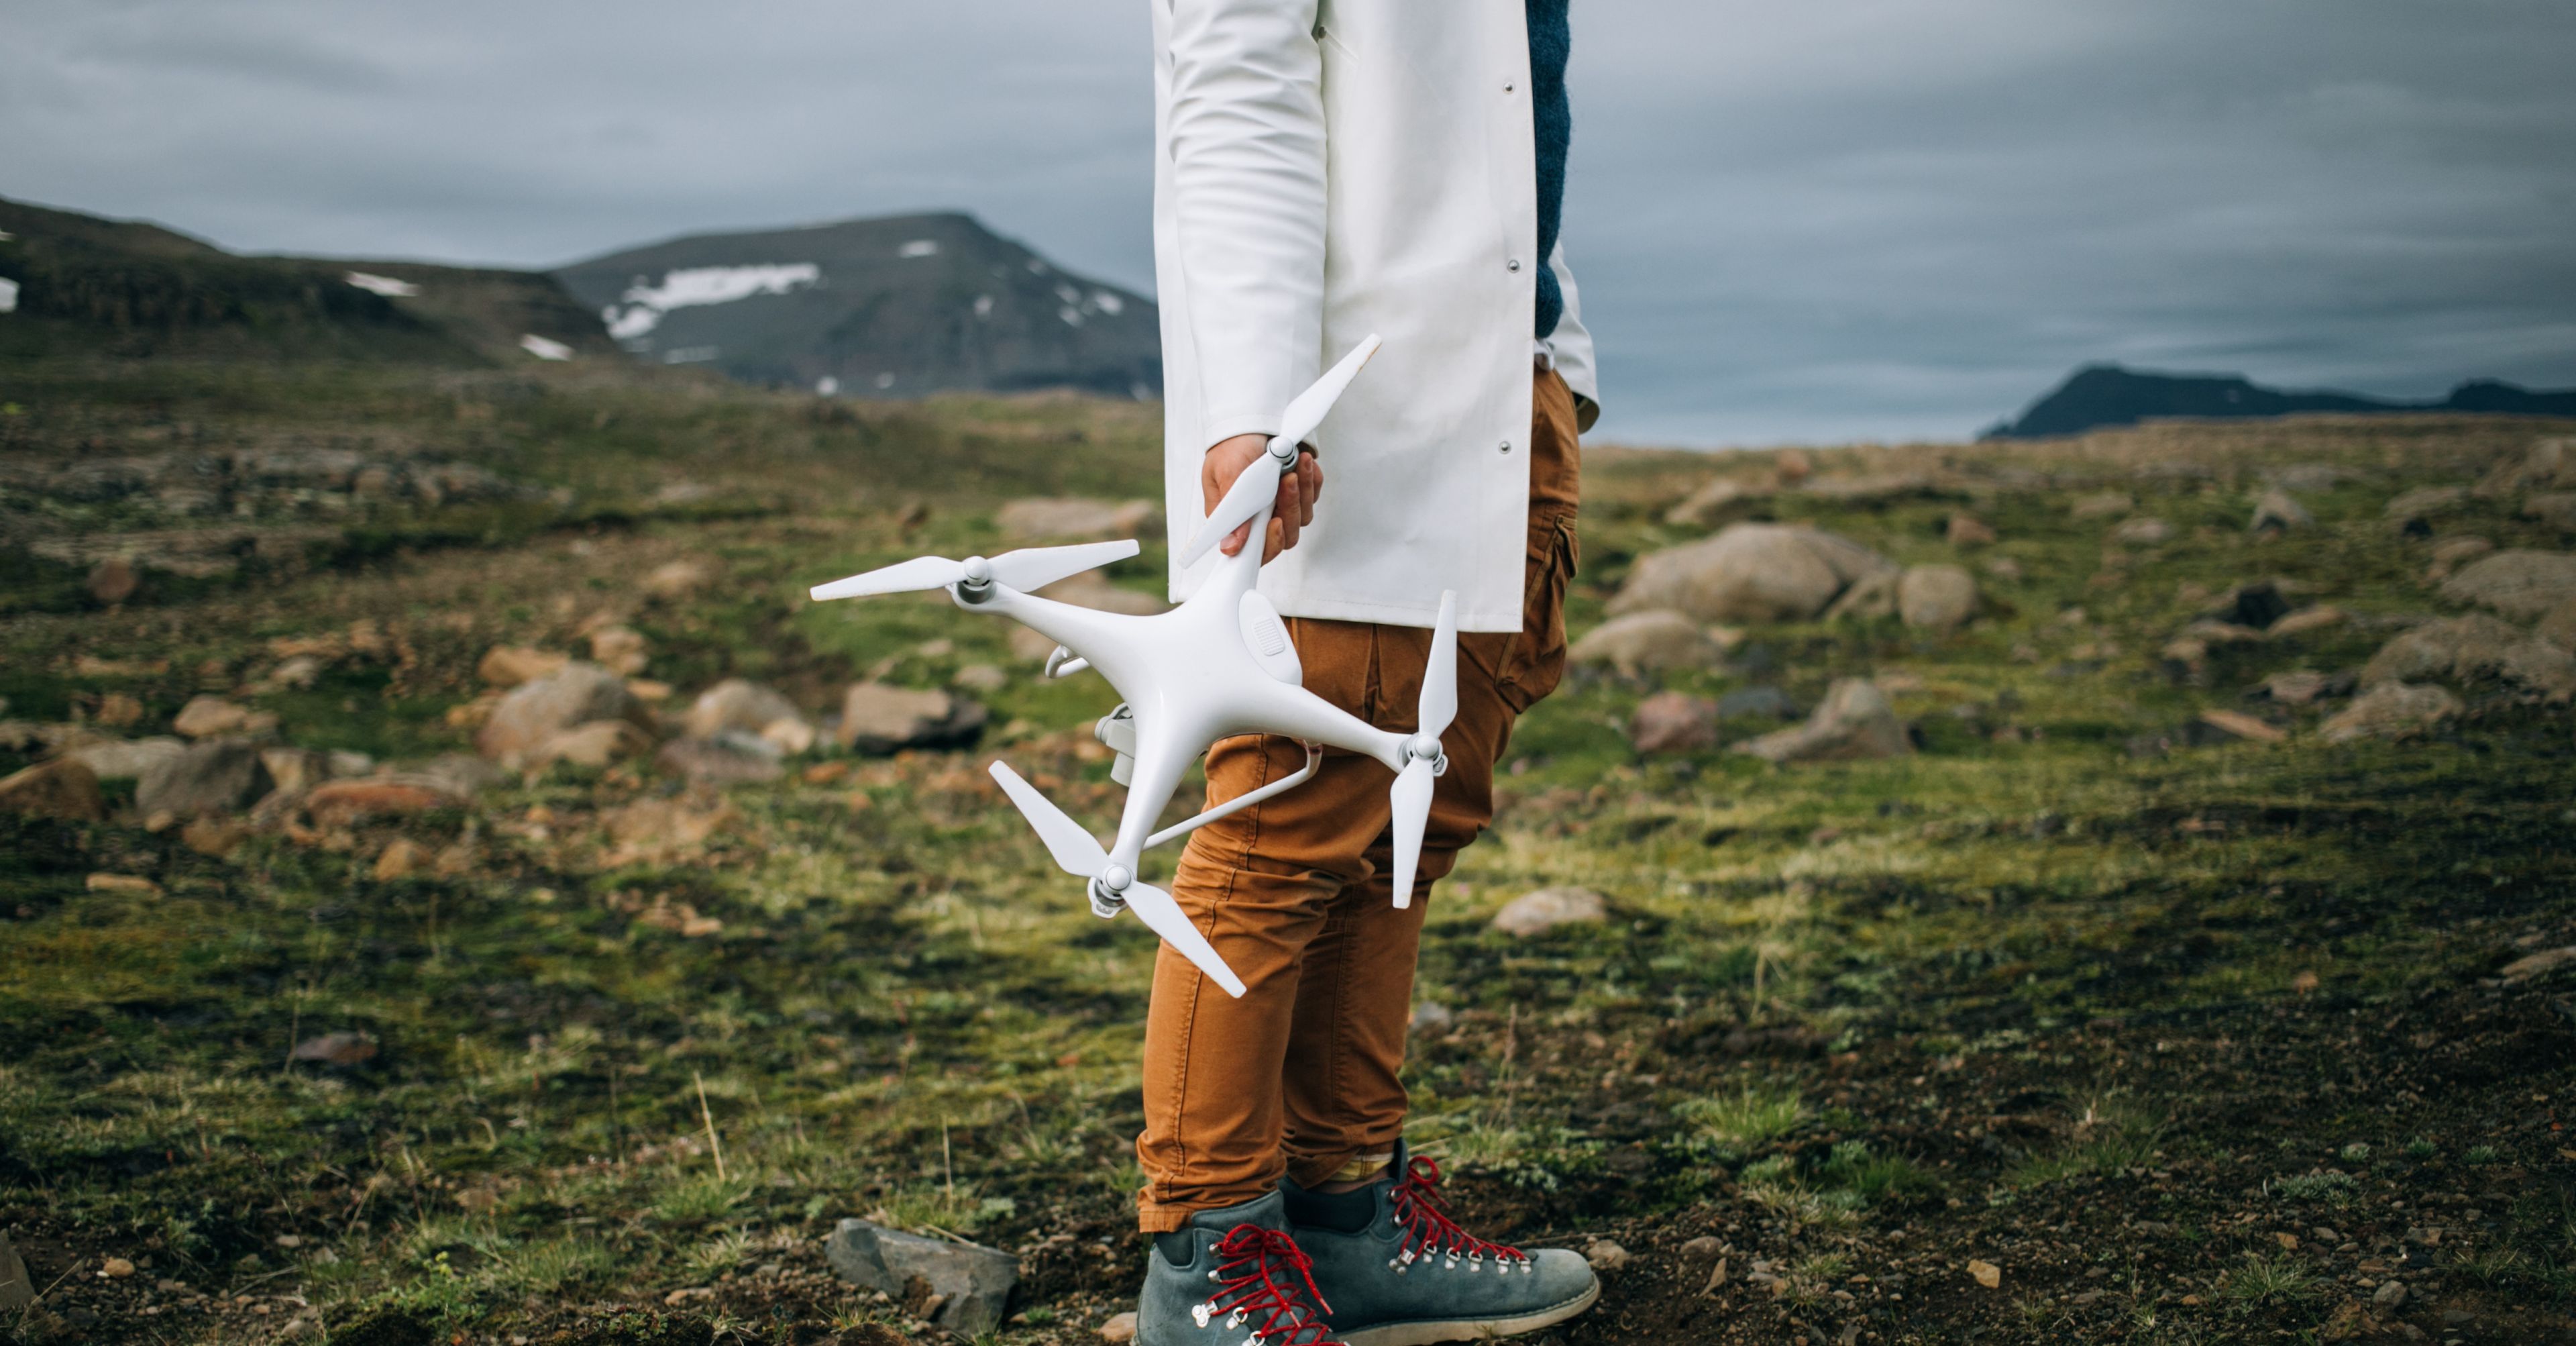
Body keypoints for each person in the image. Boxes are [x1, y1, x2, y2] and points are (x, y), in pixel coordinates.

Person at [1130, 2, 1601, 1342]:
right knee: (1285, 817)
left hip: (1502, 390)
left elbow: (1520, 118)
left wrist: (1558, 369)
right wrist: (1260, 404)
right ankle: (1207, 1258)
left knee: (1411, 815)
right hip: (1348, 412)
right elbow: (1234, 91)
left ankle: (1347, 1216)